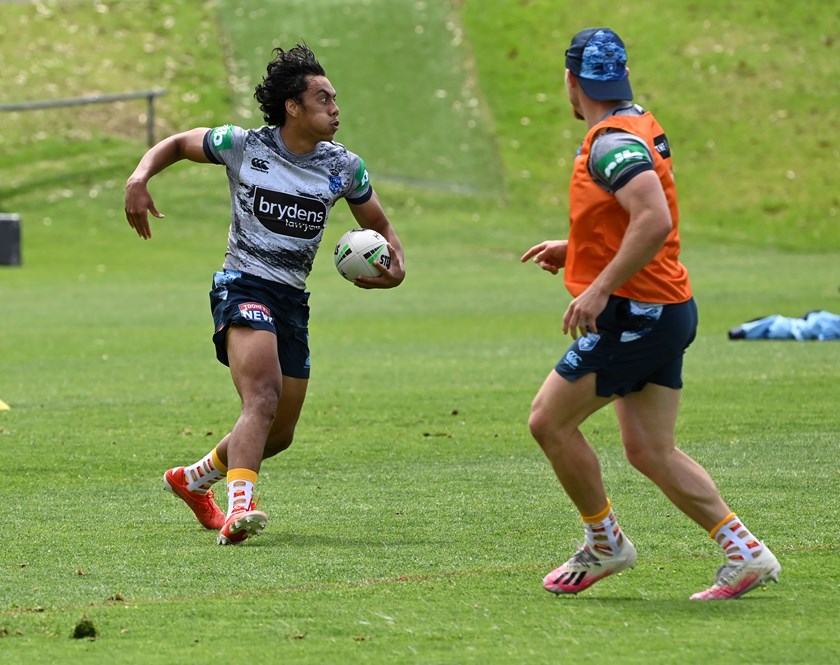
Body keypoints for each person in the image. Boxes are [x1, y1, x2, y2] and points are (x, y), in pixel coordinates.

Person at [521, 28, 780, 599]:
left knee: (548, 420)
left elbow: (653, 219)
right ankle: (747, 553)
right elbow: (630, 215)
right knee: (649, 450)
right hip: (667, 307)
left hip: (638, 313)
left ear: (571, 81)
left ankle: (605, 544)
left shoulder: (611, 143)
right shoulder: (637, 122)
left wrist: (597, 287)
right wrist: (580, 249)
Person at [124, 44, 405, 545]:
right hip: (243, 285)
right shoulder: (242, 144)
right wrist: (140, 177)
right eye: (324, 99)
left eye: (335, 99)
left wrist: (395, 269)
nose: (336, 109)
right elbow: (175, 143)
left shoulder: (344, 167)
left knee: (278, 434)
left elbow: (379, 225)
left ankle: (193, 480)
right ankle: (240, 508)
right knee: (263, 396)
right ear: (293, 107)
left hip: (292, 299)